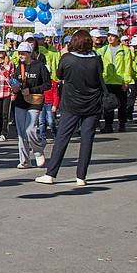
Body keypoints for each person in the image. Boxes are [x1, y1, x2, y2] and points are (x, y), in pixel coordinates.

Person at [36, 29, 107, 187]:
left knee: (62, 138)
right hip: (92, 103)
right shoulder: (96, 58)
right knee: (87, 140)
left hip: (71, 103)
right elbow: (100, 75)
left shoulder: (67, 58)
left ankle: (51, 174)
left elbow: (59, 75)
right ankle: (81, 176)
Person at [11, 42, 51, 170]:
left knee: (30, 129)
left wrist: (32, 90)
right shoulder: (19, 67)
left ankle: (38, 151)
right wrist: (15, 88)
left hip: (34, 101)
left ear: (29, 53)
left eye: (23, 53)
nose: (20, 55)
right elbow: (15, 81)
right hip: (20, 102)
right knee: (21, 132)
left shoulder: (39, 66)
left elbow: (47, 84)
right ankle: (24, 160)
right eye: (19, 53)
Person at [96, 29, 131, 132]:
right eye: (109, 36)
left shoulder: (125, 50)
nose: (110, 38)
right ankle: (108, 124)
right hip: (107, 80)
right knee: (108, 104)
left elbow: (128, 66)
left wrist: (126, 81)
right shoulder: (104, 49)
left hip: (120, 80)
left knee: (122, 104)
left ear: (117, 38)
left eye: (113, 36)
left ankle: (122, 123)